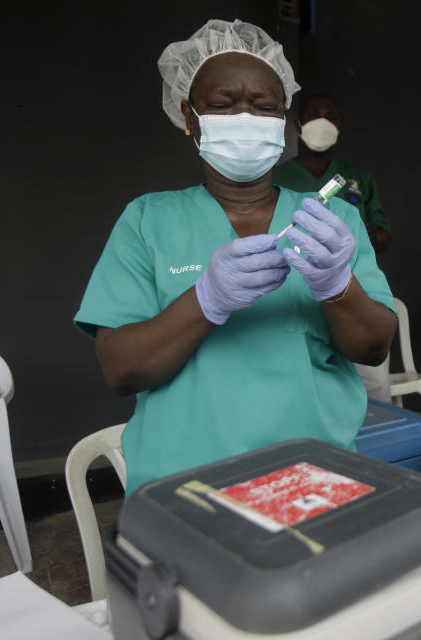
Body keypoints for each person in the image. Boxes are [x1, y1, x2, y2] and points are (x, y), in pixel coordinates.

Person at [74, 19, 396, 496]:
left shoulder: (333, 223)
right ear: (189, 116)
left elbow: (373, 348)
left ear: (284, 119)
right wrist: (205, 299)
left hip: (316, 479)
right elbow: (121, 370)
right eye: (224, 105)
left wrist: (337, 287)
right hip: (184, 486)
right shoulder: (148, 220)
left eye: (264, 107)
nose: (245, 118)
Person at [273, 94, 393, 403]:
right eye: (314, 114)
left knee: (374, 387)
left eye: (331, 115)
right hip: (295, 295)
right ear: (298, 125)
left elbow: (384, 234)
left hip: (357, 291)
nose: (323, 121)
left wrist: (369, 235)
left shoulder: (357, 178)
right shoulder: (277, 178)